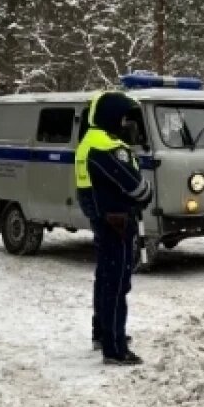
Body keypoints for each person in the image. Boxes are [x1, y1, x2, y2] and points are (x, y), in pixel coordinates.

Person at [74, 91, 151, 366]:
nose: (126, 124)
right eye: (123, 118)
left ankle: (102, 333)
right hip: (116, 220)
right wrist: (145, 192)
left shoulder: (90, 141)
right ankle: (115, 347)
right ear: (111, 117)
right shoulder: (105, 145)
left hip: (104, 218)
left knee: (105, 278)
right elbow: (134, 185)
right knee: (117, 282)